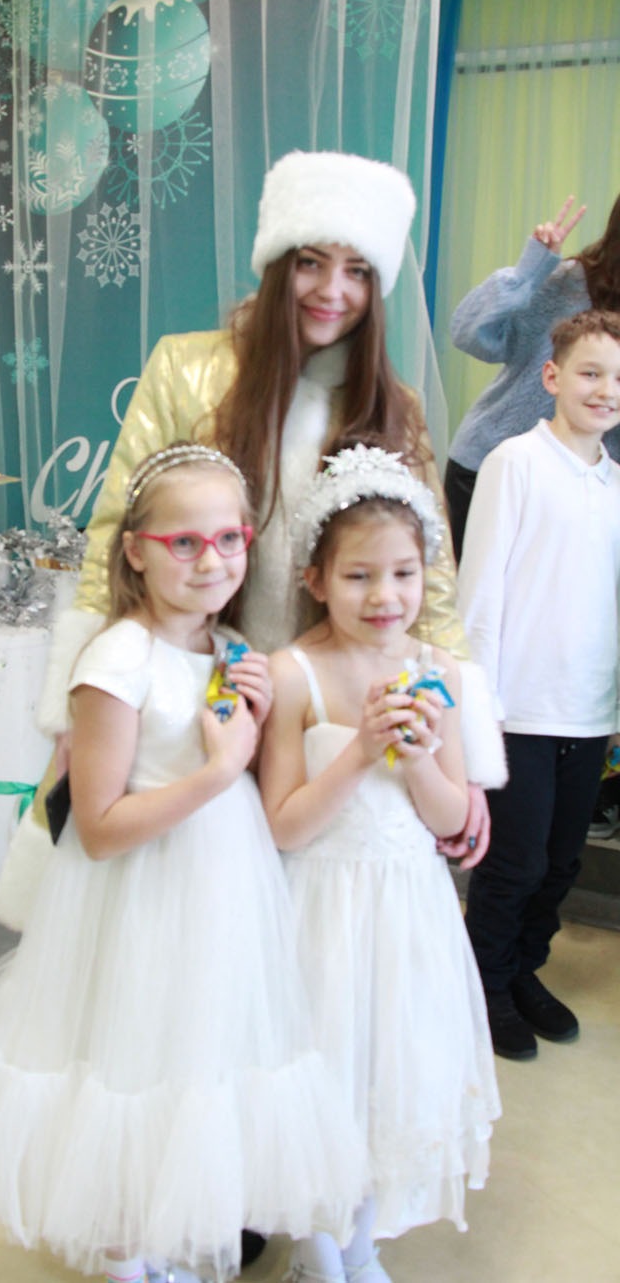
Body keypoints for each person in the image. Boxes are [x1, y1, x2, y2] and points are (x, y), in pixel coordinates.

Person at [0, 150, 505, 933]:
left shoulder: (391, 404)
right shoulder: (188, 370)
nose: (332, 291)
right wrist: (78, 711)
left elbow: (426, 580)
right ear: (277, 263)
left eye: (357, 271)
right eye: (311, 262)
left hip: (324, 707)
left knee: (304, 938)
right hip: (199, 695)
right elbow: (116, 533)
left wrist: (466, 762)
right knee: (181, 928)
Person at [0, 442, 368, 1283]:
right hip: (141, 898)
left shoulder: (224, 647)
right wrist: (218, 772)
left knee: (195, 1061)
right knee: (128, 1069)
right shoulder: (117, 661)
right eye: (184, 542)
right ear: (135, 550)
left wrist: (249, 722)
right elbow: (98, 826)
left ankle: (171, 1236)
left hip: (223, 891)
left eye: (229, 539)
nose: (212, 560)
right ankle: (129, 1258)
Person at [259, 444, 501, 1282]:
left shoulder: (440, 672)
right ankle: (318, 1251)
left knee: (387, 1085)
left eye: (403, 573)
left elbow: (450, 819)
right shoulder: (294, 674)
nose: (385, 596)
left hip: (408, 916)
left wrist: (421, 759)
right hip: (316, 914)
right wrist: (361, 751)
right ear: (317, 579)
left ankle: (356, 1246)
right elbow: (283, 826)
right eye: (359, 576)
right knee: (317, 1084)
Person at [457, 309, 620, 1062]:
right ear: (552, 377)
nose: (606, 389)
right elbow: (480, 593)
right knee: (514, 864)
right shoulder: (514, 463)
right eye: (591, 372)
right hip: (516, 709)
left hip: (588, 712)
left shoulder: (614, 483)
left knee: (559, 864)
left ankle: (523, 969)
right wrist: (477, 710)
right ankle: (483, 984)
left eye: (618, 379)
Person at [446, 192, 620, 559]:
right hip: (490, 465)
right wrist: (528, 270)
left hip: (580, 489)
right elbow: (471, 334)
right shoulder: (572, 283)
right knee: (473, 586)